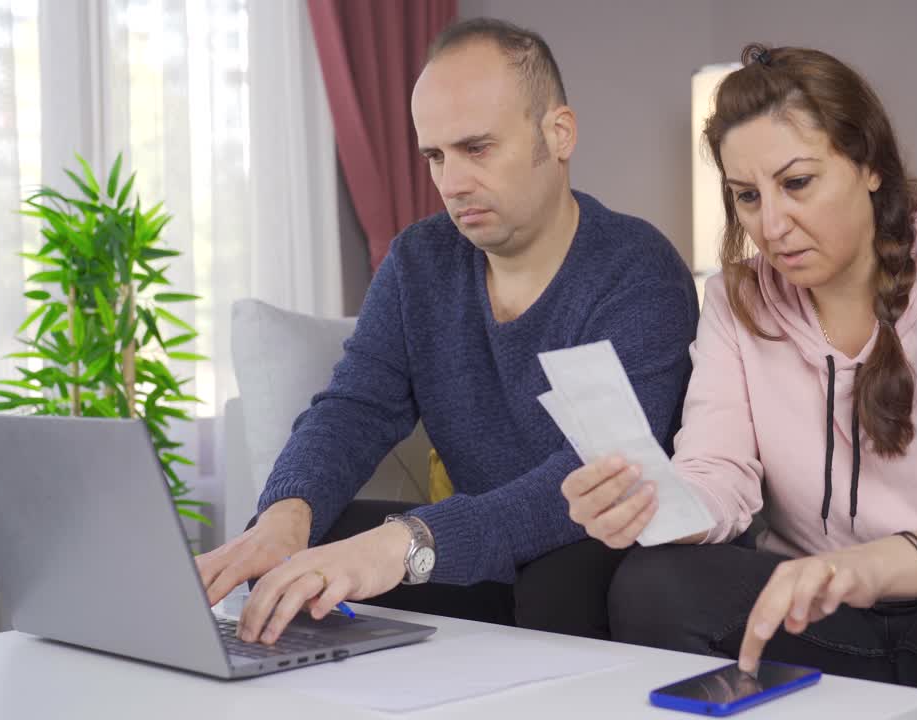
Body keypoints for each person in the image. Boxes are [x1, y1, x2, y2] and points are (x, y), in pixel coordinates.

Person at [562, 44, 917, 719]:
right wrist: (657, 505)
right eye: (747, 196)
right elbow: (719, 473)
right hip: (822, 618)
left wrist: (877, 564)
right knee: (653, 582)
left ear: (869, 167)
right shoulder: (738, 302)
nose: (771, 226)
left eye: (797, 183)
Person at [195, 18, 697, 647]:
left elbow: (595, 477)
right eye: (435, 156)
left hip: (595, 553)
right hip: (477, 550)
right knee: (312, 540)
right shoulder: (418, 262)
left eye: (477, 148)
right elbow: (354, 409)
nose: (452, 183)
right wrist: (282, 518)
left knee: (561, 574)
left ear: (558, 133)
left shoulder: (637, 270)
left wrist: (409, 542)